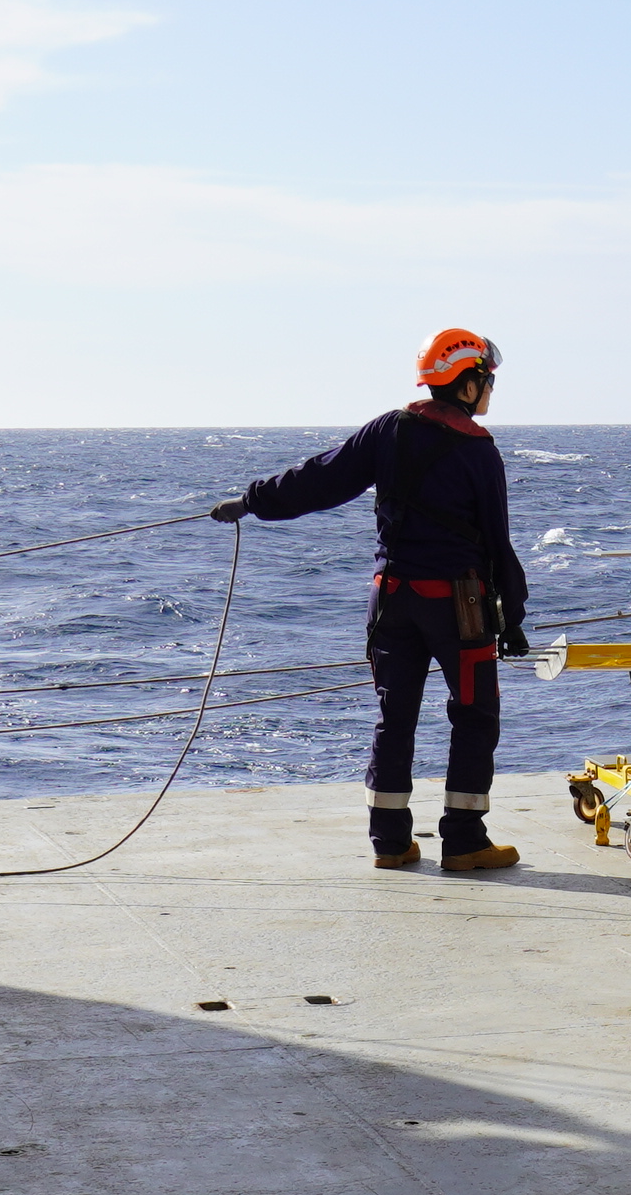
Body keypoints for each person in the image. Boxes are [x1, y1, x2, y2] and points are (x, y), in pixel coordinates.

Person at [214, 330, 530, 871]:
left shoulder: (389, 430)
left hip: (390, 601)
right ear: (468, 382)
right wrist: (514, 616)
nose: (492, 392)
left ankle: (390, 842)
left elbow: (319, 479)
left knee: (394, 717)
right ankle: (464, 841)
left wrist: (251, 501)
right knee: (475, 717)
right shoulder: (478, 450)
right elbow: (496, 543)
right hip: (459, 606)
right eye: (489, 382)